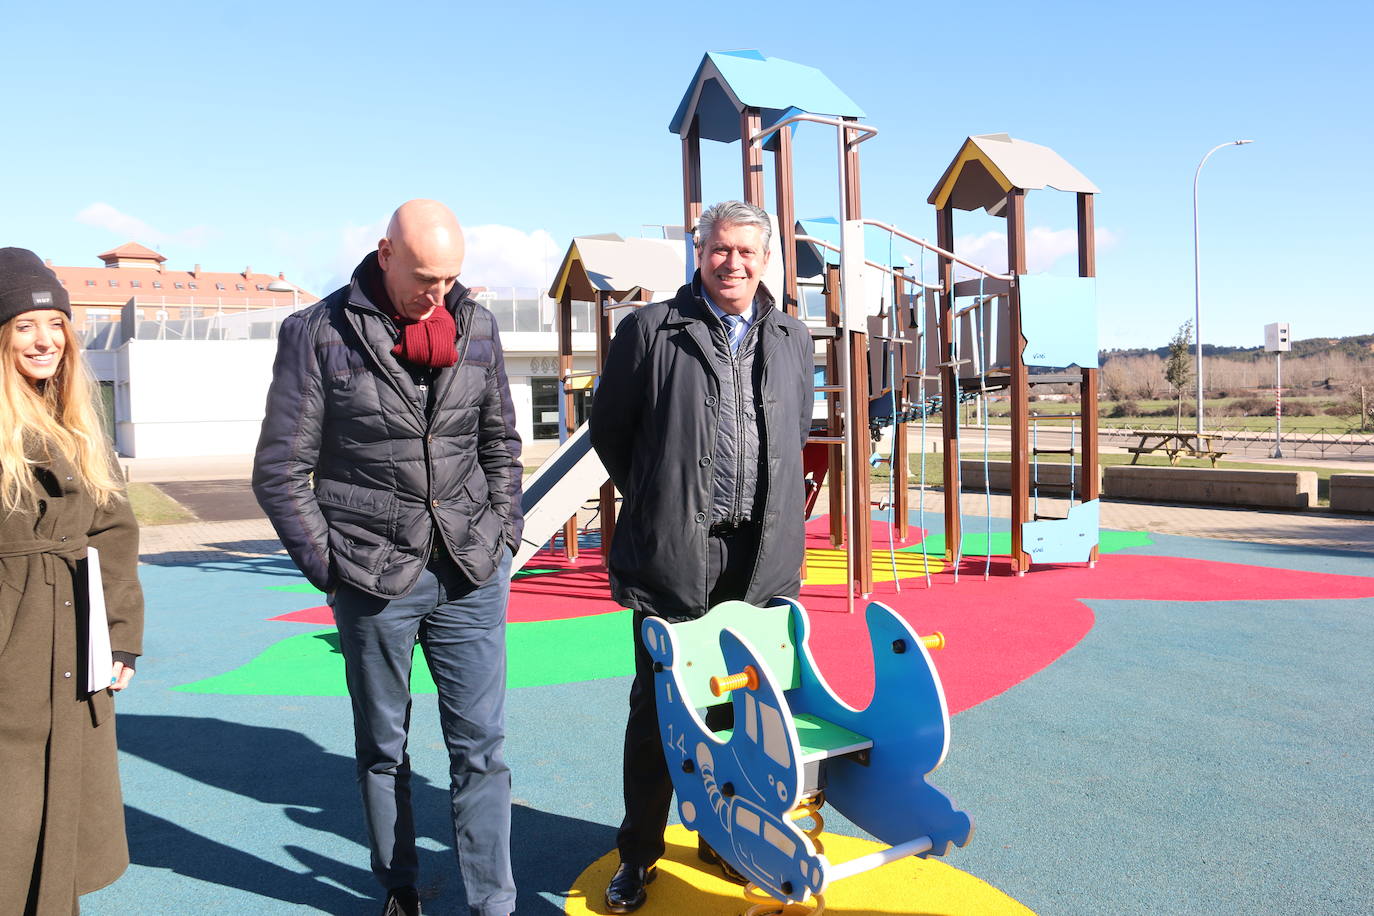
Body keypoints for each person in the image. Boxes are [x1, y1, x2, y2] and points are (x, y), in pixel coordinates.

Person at [253, 200, 523, 916]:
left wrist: (504, 534)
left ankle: (492, 902)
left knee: (482, 749)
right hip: (373, 577)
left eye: (451, 279)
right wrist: (333, 569)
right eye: (426, 279)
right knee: (383, 746)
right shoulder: (317, 333)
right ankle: (400, 889)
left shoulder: (476, 325)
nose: (438, 295)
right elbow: (281, 469)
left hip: (470, 568)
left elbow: (500, 445)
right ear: (385, 254)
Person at [589, 200, 814, 913]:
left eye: (748, 252)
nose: (734, 263)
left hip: (757, 557)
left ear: (767, 259)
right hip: (677, 556)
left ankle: (723, 837)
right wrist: (660, 499)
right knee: (660, 713)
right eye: (720, 249)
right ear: (699, 251)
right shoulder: (651, 331)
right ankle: (640, 854)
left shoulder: (791, 337)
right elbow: (611, 431)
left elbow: (795, 429)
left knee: (744, 711)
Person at [0, 248, 144, 916]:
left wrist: (119, 638)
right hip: (14, 638)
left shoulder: (79, 423)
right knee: (11, 816)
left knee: (60, 814)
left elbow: (114, 532)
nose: (45, 340)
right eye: (26, 325)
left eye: (55, 324)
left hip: (73, 640)